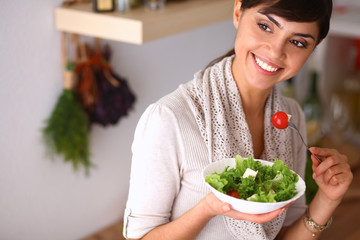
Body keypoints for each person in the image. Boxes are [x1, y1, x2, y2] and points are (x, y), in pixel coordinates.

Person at [123, 0, 353, 239]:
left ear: (315, 46)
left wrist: (327, 199)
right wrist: (209, 208)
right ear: (237, 11)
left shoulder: (290, 118)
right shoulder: (169, 118)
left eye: (297, 42)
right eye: (265, 26)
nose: (275, 51)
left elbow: (283, 234)